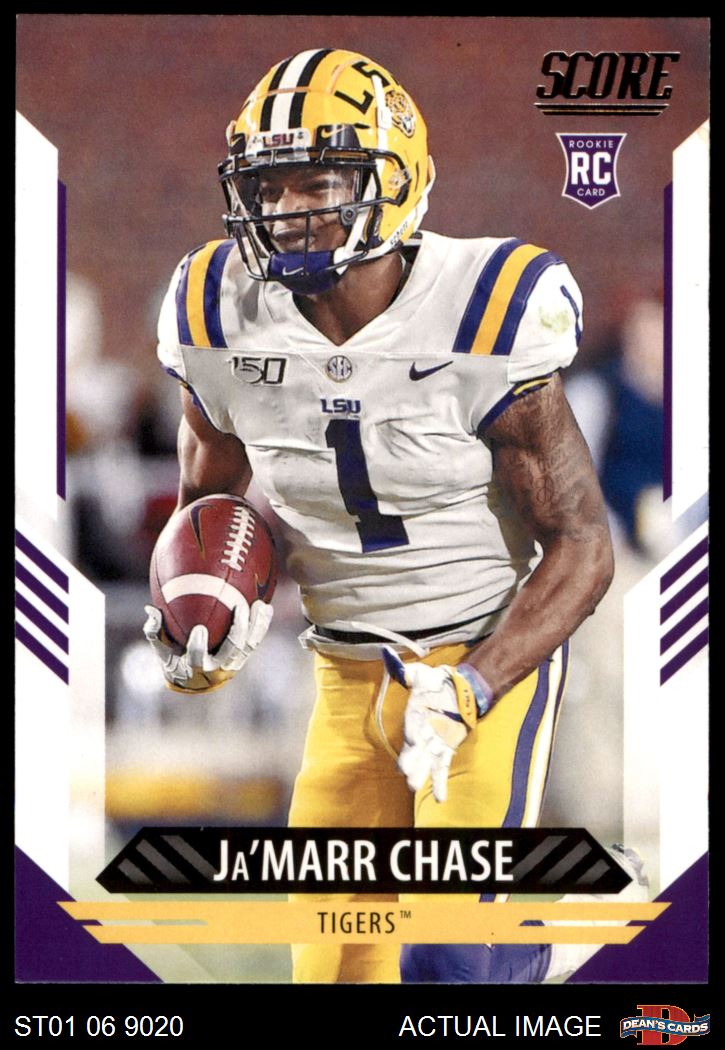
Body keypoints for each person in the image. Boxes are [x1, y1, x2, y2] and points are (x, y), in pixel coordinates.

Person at [144, 48, 634, 984]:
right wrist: (204, 611)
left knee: (447, 965)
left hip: (482, 658)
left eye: (317, 182)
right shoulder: (217, 312)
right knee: (336, 974)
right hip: (342, 674)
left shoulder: (484, 312)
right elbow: (209, 508)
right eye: (269, 186)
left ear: (396, 181)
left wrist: (472, 687)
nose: (286, 210)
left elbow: (582, 547)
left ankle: (559, 937)